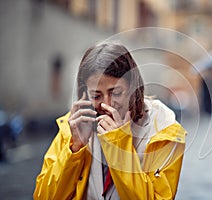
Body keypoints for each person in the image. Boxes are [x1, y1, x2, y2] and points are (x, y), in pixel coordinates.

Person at [33, 43, 186, 199]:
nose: (107, 104)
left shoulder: (163, 129)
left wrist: (118, 144)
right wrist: (75, 148)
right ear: (84, 94)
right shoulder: (73, 126)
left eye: (116, 93)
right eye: (96, 96)